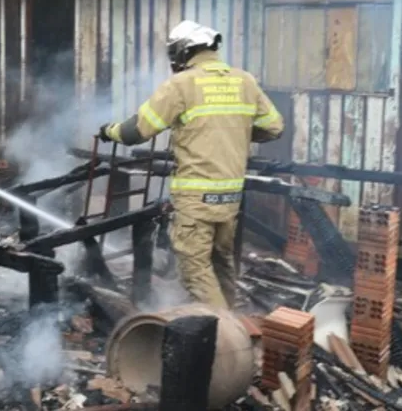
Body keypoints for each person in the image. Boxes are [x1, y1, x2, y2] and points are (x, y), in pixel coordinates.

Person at [97, 20, 284, 310]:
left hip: (196, 199)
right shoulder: (244, 81)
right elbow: (274, 127)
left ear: (184, 51)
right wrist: (236, 129)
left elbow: (136, 132)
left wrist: (109, 131)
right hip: (230, 197)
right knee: (221, 263)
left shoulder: (181, 85)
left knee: (195, 271)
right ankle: (230, 321)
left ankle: (222, 331)